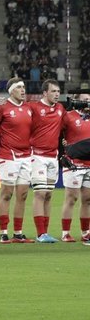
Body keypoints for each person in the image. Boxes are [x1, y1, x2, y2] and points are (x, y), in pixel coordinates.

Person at [0, 77, 34, 243]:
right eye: (19, 87)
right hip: (8, 155)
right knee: (7, 194)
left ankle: (18, 233)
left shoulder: (28, 107)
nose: (23, 90)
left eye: (24, 87)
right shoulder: (2, 108)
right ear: (11, 91)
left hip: (26, 156)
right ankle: (3, 232)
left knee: (22, 195)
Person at [29, 80, 64, 243]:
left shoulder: (60, 108)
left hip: (53, 156)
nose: (57, 94)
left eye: (58, 91)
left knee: (49, 195)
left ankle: (46, 232)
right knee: (40, 193)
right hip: (37, 155)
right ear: (44, 93)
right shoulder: (34, 107)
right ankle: (40, 234)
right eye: (53, 91)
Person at [60, 93, 90, 243]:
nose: (88, 102)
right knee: (71, 198)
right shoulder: (68, 116)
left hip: (89, 163)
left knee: (88, 199)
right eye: (85, 100)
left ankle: (86, 232)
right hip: (74, 163)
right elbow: (55, 132)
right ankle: (65, 233)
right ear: (77, 101)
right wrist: (62, 146)